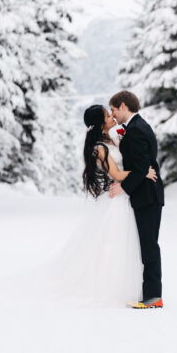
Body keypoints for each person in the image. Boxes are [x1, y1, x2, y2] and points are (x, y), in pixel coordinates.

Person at [71, 104, 157, 306]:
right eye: (108, 115)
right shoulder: (99, 148)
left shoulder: (110, 139)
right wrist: (142, 172)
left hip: (124, 195)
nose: (112, 117)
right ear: (100, 123)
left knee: (128, 244)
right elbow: (116, 174)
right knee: (117, 244)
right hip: (116, 201)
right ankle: (112, 287)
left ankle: (128, 287)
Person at [109, 91, 165, 309]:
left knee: (149, 246)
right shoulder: (136, 127)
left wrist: (123, 186)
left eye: (113, 109)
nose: (113, 115)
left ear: (123, 105)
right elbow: (144, 165)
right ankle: (152, 294)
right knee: (146, 245)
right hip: (146, 193)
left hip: (147, 195)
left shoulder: (137, 130)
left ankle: (153, 297)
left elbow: (143, 166)